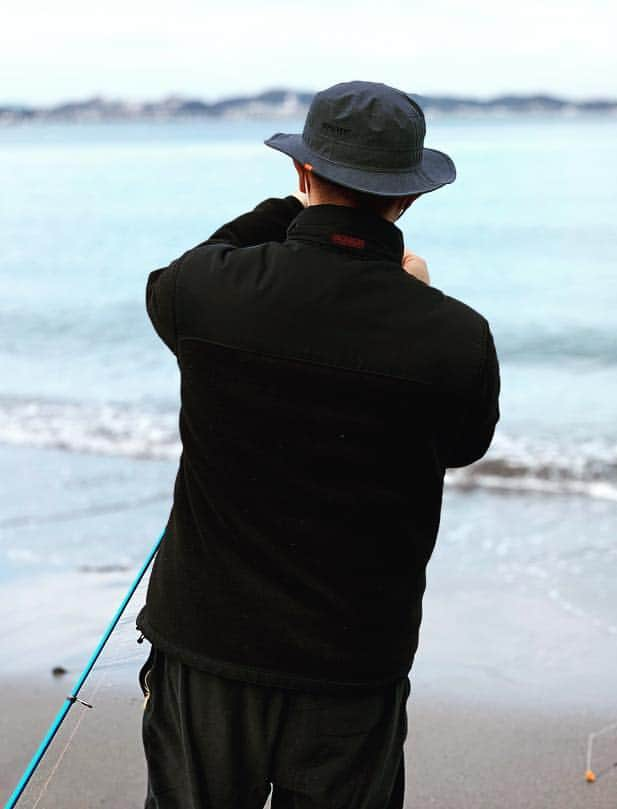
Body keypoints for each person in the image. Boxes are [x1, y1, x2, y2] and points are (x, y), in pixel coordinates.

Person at [135, 81, 500, 809]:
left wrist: (292, 209)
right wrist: (412, 287)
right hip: (354, 660)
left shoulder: (209, 290)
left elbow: (190, 267)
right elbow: (463, 444)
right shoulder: (455, 336)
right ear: (409, 198)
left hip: (209, 644)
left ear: (304, 174)